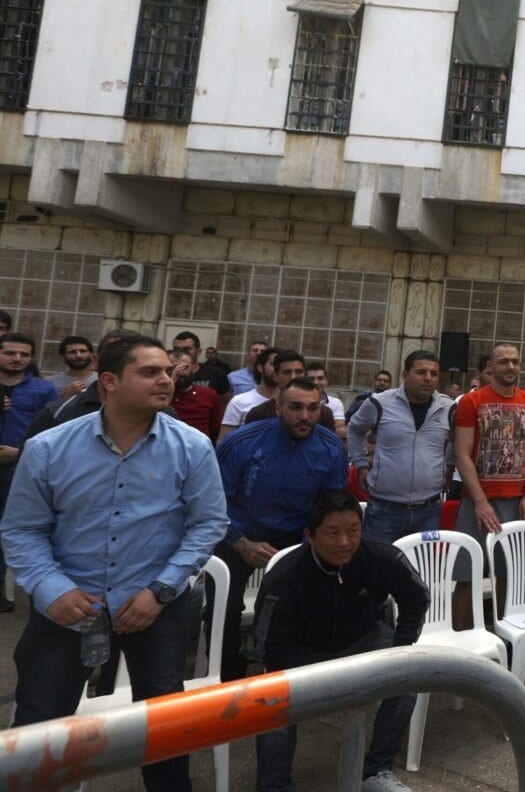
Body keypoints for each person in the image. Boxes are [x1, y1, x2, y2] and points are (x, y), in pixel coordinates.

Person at [1, 336, 228, 792]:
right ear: (109, 382)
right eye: (150, 372)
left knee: (163, 729)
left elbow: (207, 524)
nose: (166, 379)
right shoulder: (48, 448)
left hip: (156, 609)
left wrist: (161, 590)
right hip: (67, 608)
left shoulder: (192, 446)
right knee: (40, 729)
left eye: (168, 370)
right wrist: (52, 591)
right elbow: (22, 530)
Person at [253, 489, 429, 792]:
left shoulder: (380, 557)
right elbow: (268, 644)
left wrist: (402, 645)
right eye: (333, 533)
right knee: (272, 701)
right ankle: (274, 786)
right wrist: (315, 678)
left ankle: (376, 772)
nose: (344, 542)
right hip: (302, 653)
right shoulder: (285, 577)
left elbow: (417, 596)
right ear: (310, 535)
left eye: (353, 531)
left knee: (408, 679)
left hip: (363, 640)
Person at [214, 377, 347, 680]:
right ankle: (226, 680)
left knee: (299, 604)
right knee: (223, 611)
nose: (305, 416)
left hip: (295, 539)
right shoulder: (243, 442)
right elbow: (211, 501)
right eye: (296, 407)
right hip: (238, 534)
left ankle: (282, 673)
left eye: (313, 408)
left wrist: (302, 547)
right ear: (278, 407)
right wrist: (241, 542)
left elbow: (329, 508)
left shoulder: (331, 450)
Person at [452, 343, 525, 627]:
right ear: (491, 366)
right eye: (504, 362)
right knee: (467, 576)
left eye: (515, 362)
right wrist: (479, 501)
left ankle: (508, 638)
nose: (510, 367)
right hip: (477, 501)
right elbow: (462, 454)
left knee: (509, 576)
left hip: (515, 501)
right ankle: (459, 644)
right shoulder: (472, 401)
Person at [349, 350, 454, 543]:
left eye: (434, 374)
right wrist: (361, 463)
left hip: (428, 509)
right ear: (405, 375)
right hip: (384, 510)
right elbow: (355, 430)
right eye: (421, 372)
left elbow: (456, 440)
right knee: (379, 568)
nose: (428, 378)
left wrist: (449, 467)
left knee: (420, 570)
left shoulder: (448, 407)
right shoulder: (379, 403)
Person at [0, 333, 59, 610]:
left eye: (24, 354)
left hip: (18, 466)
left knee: (10, 527)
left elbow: (50, 433)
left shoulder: (43, 390)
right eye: (10, 353)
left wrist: (18, 452)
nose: (17, 359)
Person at [218, 347, 293, 443]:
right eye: (274, 364)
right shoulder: (239, 402)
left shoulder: (291, 403)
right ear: (260, 368)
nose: (277, 369)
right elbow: (224, 442)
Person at [169, 348, 224, 443]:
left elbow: (217, 429)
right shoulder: (161, 395)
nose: (180, 373)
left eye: (185, 367)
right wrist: (170, 383)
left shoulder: (209, 394)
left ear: (193, 368)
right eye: (174, 368)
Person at [171, 331, 231, 402]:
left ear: (198, 351)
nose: (181, 352)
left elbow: (227, 402)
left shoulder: (216, 374)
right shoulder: (166, 374)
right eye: (177, 349)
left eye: (187, 349)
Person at [306, 361, 347, 439]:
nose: (316, 382)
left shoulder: (335, 403)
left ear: (326, 381)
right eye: (311, 379)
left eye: (320, 378)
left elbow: (340, 431)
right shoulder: (298, 401)